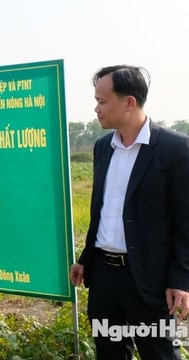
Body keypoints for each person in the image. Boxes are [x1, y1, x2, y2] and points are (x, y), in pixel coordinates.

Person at [69, 65, 189, 359]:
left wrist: (181, 279)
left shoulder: (175, 149)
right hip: (105, 277)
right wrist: (86, 257)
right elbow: (101, 209)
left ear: (129, 102)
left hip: (150, 278)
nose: (96, 108)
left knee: (159, 353)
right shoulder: (103, 147)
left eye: (102, 101)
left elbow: (186, 222)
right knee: (109, 352)